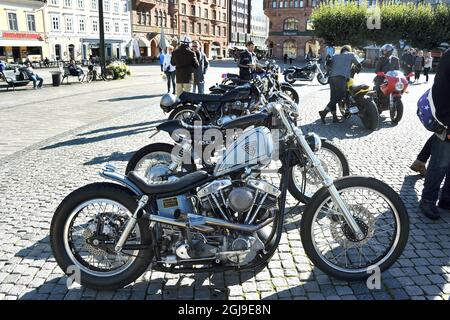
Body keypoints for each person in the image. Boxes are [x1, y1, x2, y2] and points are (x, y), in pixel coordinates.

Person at [419, 48, 450, 219]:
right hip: (447, 121)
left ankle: (446, 198)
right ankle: (428, 200)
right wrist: (446, 120)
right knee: (440, 163)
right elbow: (440, 90)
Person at [318, 45, 361, 124]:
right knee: (340, 96)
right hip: (341, 78)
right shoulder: (351, 55)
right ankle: (324, 112)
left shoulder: (335, 56)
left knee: (333, 98)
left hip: (331, 78)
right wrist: (358, 69)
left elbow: (328, 66)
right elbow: (358, 65)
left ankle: (334, 118)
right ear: (349, 50)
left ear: (342, 50)